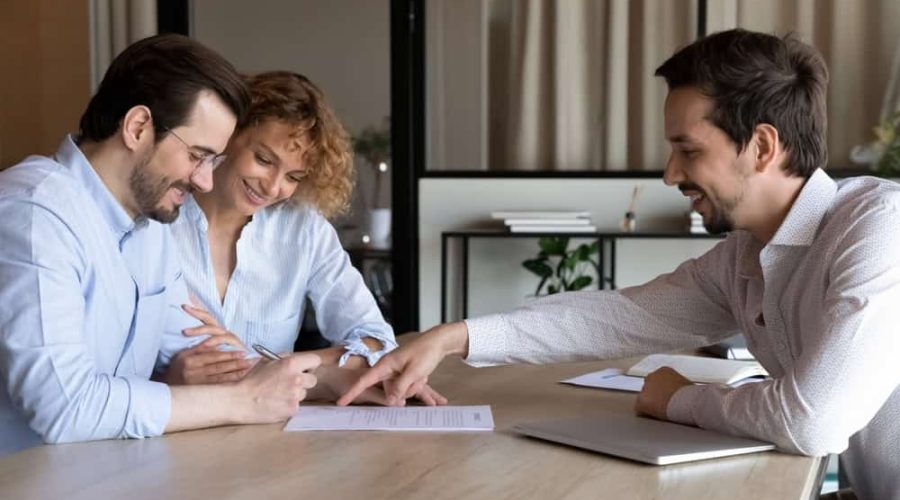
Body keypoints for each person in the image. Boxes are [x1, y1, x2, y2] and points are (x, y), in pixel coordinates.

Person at [339, 29, 900, 500]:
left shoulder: (880, 227)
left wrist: (677, 399)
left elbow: (813, 420)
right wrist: (453, 337)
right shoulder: (745, 255)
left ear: (761, 146)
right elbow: (619, 315)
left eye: (689, 150)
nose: (669, 174)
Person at [0, 34, 320, 456]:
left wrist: (339, 379)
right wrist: (244, 400)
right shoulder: (33, 214)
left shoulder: (150, 230)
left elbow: (206, 352)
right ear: (137, 128)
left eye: (214, 161)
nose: (205, 180)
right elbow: (65, 406)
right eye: (198, 156)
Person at [162, 71, 445, 405]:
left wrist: (281, 366)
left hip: (270, 437)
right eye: (264, 160)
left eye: (293, 176)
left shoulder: (304, 230)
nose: (272, 187)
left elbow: (376, 342)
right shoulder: (158, 222)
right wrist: (168, 378)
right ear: (228, 133)